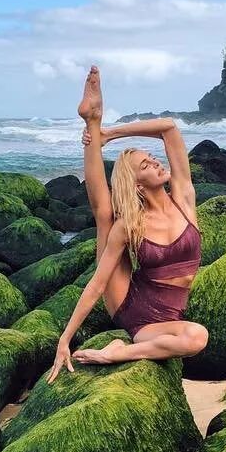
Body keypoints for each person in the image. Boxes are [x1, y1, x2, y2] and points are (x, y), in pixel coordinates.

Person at [48, 65, 209, 382]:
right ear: (136, 185)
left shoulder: (184, 198)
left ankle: (96, 123)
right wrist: (64, 340)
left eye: (152, 158)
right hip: (134, 309)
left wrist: (111, 134)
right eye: (146, 165)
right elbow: (97, 284)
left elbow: (169, 128)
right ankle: (91, 119)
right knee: (105, 217)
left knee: (194, 337)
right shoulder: (131, 224)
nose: (156, 162)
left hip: (169, 315)